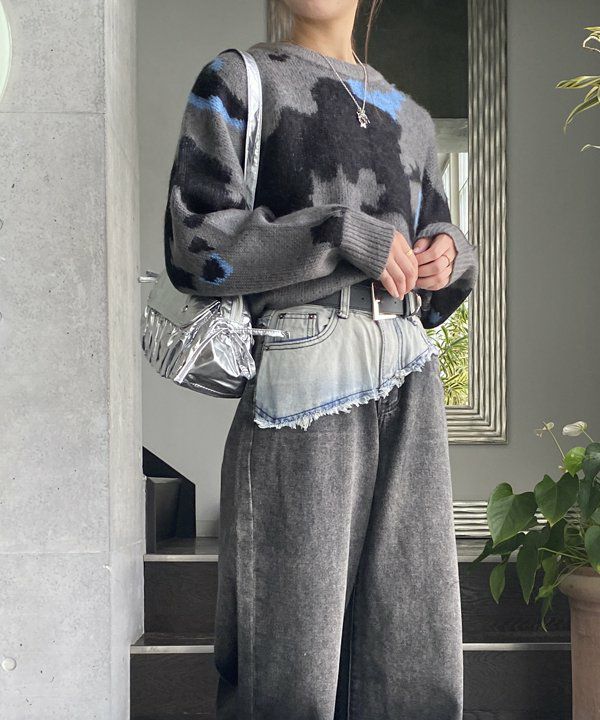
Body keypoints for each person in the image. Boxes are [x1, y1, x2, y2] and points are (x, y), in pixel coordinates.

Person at [163, 1, 479, 717]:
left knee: (416, 650)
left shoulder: (411, 118)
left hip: (408, 369)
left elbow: (437, 265)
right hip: (306, 367)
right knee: (289, 656)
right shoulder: (240, 81)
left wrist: (450, 255)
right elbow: (195, 245)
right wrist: (339, 231)